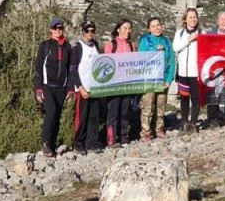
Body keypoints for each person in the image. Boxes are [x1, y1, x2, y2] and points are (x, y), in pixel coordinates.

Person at [33, 18, 72, 158]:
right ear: (50, 29)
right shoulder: (45, 46)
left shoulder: (67, 47)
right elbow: (38, 67)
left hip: (61, 87)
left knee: (57, 116)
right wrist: (38, 89)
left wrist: (70, 89)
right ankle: (45, 143)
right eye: (55, 28)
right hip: (47, 85)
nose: (58, 31)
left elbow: (70, 69)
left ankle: (53, 146)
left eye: (60, 28)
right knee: (51, 112)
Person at [138, 17, 176, 142]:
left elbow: (172, 61)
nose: (156, 28)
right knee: (148, 106)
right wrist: (155, 51)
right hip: (149, 79)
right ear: (149, 29)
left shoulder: (166, 41)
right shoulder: (144, 41)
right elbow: (141, 58)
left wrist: (169, 79)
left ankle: (159, 128)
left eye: (158, 25)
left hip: (163, 79)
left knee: (161, 105)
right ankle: (146, 132)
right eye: (153, 26)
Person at [69, 20, 104, 155]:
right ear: (83, 32)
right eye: (87, 31)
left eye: (92, 31)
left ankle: (92, 143)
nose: (90, 33)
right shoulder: (77, 48)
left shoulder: (96, 45)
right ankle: (78, 143)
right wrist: (80, 87)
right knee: (81, 117)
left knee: (94, 117)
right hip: (82, 89)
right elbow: (73, 70)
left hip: (94, 88)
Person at [104, 18, 136, 147]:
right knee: (113, 112)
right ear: (118, 29)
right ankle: (111, 139)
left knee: (124, 111)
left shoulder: (132, 45)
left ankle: (123, 137)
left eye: (129, 28)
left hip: (127, 83)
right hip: (114, 83)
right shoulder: (111, 44)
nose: (127, 31)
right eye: (124, 28)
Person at [173, 8, 201, 134]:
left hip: (196, 72)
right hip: (183, 72)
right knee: (184, 98)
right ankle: (184, 122)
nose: (193, 19)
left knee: (195, 99)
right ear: (185, 19)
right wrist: (189, 40)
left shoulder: (202, 32)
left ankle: (194, 123)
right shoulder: (179, 33)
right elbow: (175, 47)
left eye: (194, 17)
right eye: (190, 17)